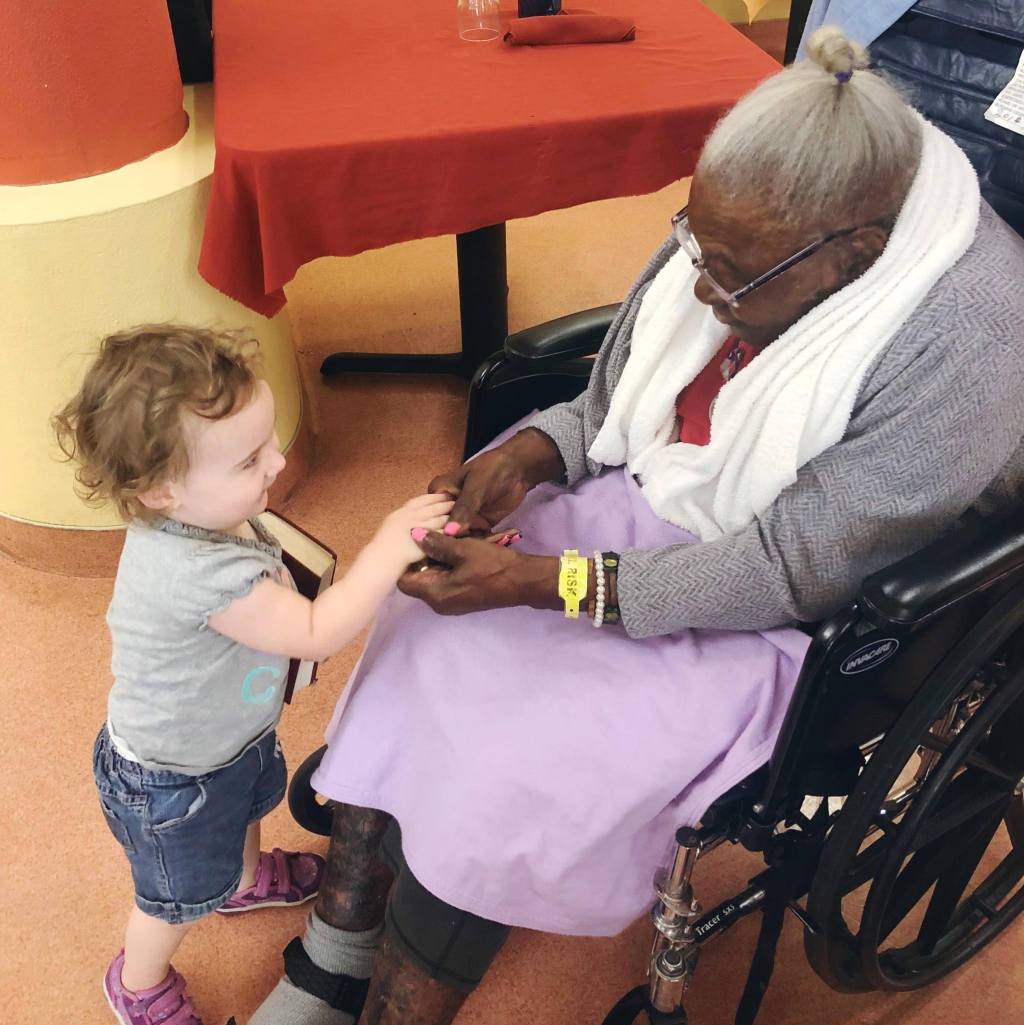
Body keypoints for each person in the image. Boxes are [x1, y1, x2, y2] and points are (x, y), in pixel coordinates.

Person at [251, 27, 1024, 1025]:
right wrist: (535, 453)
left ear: (855, 255)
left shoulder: (972, 333)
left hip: (780, 606)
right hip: (657, 497)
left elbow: (790, 569)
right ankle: (340, 946)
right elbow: (614, 402)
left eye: (729, 274)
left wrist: (547, 583)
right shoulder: (747, 215)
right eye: (695, 244)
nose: (698, 285)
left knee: (512, 767)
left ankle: (404, 996)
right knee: (418, 622)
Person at [53, 326, 453, 1025]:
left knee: (245, 807)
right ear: (159, 491)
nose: (277, 461)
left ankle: (242, 880)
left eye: (269, 440)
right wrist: (388, 547)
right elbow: (315, 628)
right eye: (249, 459)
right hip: (172, 784)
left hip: (228, 741)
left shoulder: (209, 515)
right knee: (173, 899)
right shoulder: (197, 575)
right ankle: (138, 982)